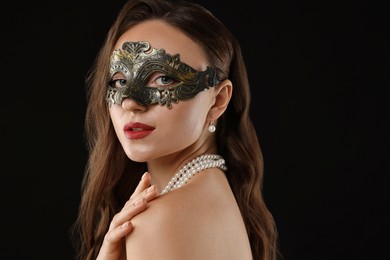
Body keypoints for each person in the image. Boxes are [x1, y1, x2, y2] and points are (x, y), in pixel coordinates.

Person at [72, 0, 279, 259]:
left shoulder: (158, 220)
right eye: (120, 80)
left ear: (218, 100)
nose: (131, 101)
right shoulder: (217, 198)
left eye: (164, 78)